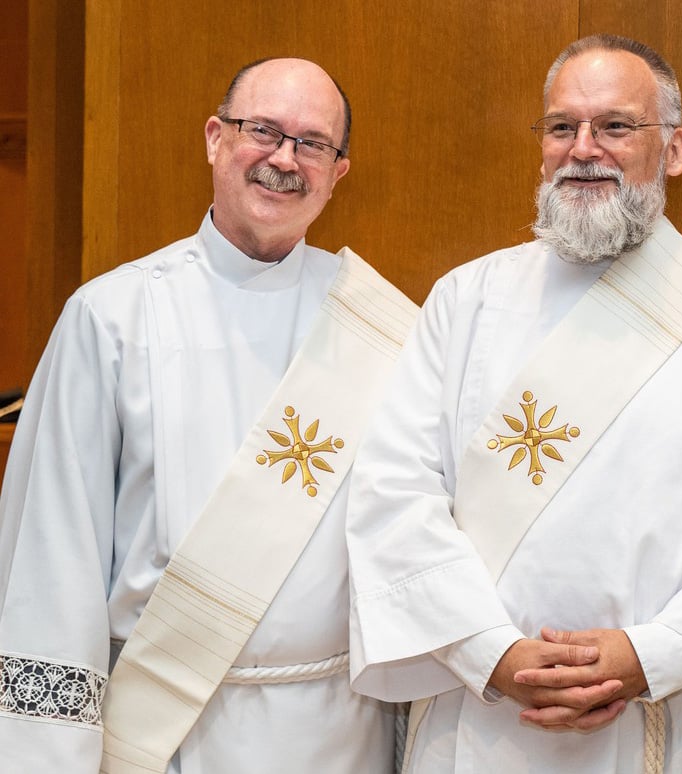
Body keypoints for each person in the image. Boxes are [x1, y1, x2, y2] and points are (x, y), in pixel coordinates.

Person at [346, 34, 682, 773]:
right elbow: (393, 494)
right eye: (562, 127)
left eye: (616, 126)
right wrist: (492, 653)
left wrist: (652, 655)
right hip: (485, 718)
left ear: (674, 149)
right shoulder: (465, 300)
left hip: (675, 719)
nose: (583, 148)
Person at [0, 58, 412, 772]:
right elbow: (54, 551)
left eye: (313, 143)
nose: (285, 160)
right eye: (264, 131)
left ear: (338, 173)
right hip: (164, 731)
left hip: (339, 733)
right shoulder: (112, 317)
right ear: (216, 139)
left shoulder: (386, 329)